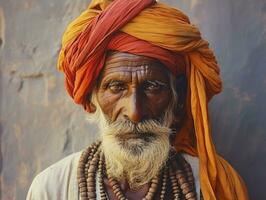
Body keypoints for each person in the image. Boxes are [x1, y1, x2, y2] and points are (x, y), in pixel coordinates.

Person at [27, 0, 249, 199]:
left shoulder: (215, 188)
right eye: (116, 87)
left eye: (152, 87)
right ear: (93, 98)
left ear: (178, 98)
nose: (134, 112)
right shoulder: (52, 189)